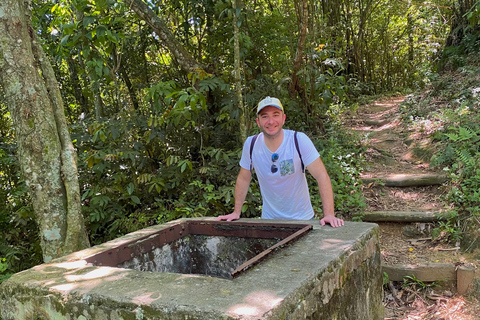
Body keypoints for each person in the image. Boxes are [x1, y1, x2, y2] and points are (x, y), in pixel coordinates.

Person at [216, 96, 344, 227]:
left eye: (275, 115)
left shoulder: (298, 140)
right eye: (264, 116)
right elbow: (243, 178)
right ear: (258, 122)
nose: (271, 121)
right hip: (269, 221)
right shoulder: (252, 144)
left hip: (302, 220)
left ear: (283, 119)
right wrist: (236, 212)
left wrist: (329, 214)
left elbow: (321, 176)